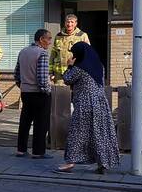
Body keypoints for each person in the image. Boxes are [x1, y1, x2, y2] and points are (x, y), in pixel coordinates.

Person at [56, 41, 120, 174]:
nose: (74, 56)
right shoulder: (99, 66)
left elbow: (67, 79)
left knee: (77, 132)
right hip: (100, 103)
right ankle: (103, 164)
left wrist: (69, 66)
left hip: (85, 104)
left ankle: (70, 163)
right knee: (99, 133)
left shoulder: (79, 68)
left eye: (75, 54)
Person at [14, 29, 52, 158]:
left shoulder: (23, 52)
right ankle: (38, 152)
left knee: (25, 121)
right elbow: (42, 78)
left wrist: (23, 85)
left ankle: (21, 149)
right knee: (41, 123)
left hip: (25, 92)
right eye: (48, 39)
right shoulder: (42, 53)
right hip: (39, 93)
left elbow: (17, 73)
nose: (50, 42)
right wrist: (47, 91)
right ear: (41, 39)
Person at [51, 14, 90, 84]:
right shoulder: (58, 36)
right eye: (67, 22)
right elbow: (53, 55)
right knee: (60, 94)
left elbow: (88, 55)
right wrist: (50, 72)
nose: (69, 24)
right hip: (59, 75)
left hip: (75, 73)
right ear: (65, 23)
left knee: (75, 93)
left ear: (76, 23)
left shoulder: (82, 36)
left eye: (72, 22)